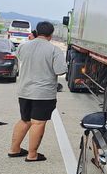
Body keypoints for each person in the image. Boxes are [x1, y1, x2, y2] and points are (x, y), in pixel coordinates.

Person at [8, 21, 67, 161]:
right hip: (43, 94)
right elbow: (60, 70)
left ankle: (14, 149)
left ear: (36, 31)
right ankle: (32, 155)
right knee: (38, 122)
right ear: (51, 34)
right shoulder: (54, 50)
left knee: (24, 120)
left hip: (24, 91)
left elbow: (21, 58)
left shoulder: (23, 46)